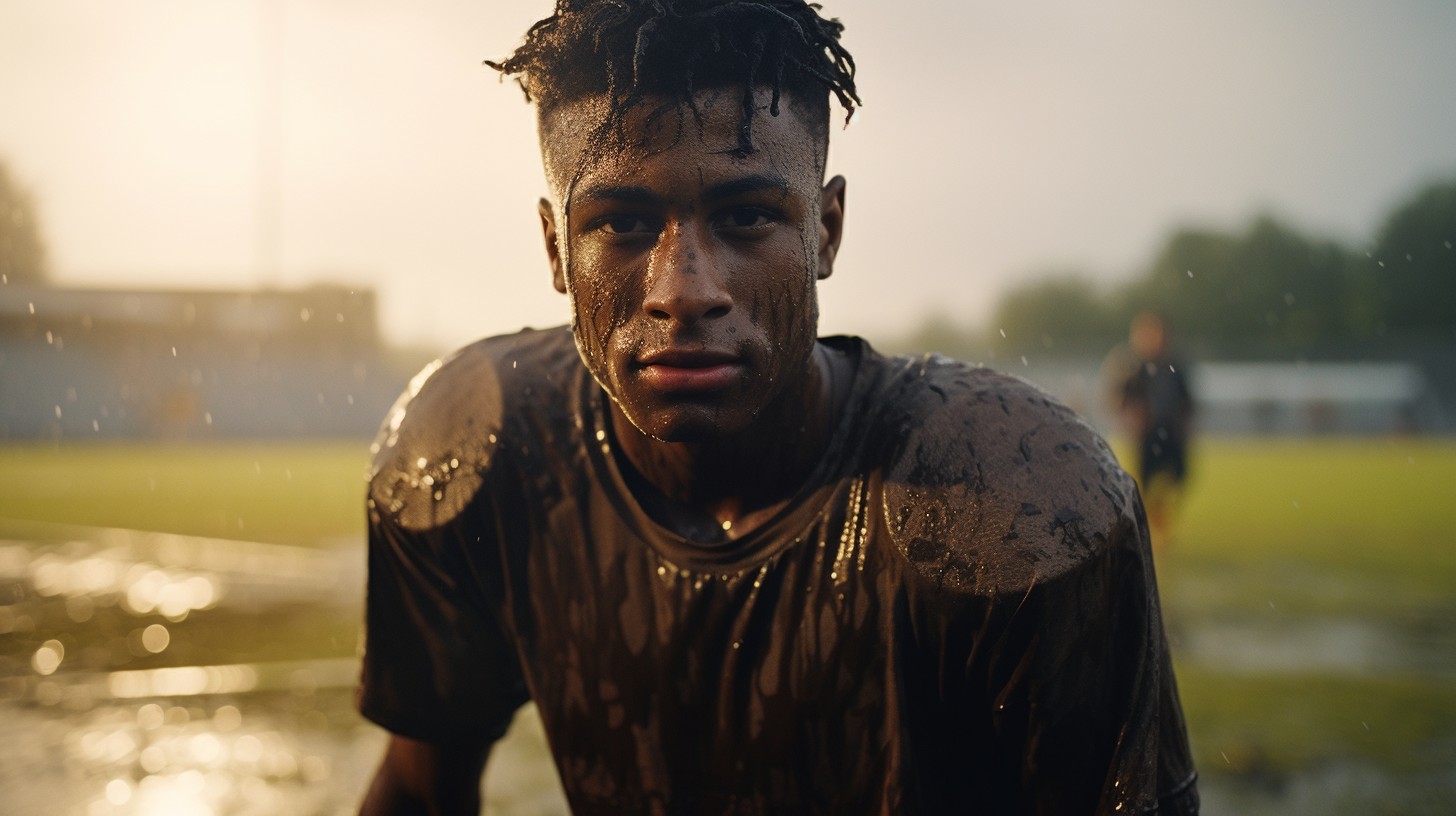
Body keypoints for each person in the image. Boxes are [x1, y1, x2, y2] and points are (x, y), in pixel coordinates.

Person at [357, 2, 1198, 813]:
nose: (684, 290)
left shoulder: (1017, 498)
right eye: (619, 224)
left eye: (748, 216)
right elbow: (423, 794)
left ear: (826, 230)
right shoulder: (483, 447)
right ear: (554, 248)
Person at [1106, 312, 1195, 550]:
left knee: (1179, 476)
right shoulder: (1132, 368)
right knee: (1142, 485)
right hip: (1145, 437)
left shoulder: (1176, 367)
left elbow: (1187, 402)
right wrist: (1133, 419)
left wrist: (1184, 427)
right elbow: (1118, 401)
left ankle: (1157, 516)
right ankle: (1141, 532)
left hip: (1172, 435)